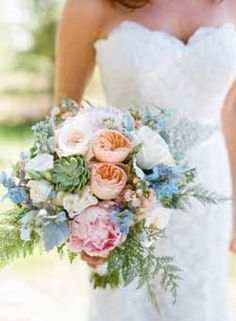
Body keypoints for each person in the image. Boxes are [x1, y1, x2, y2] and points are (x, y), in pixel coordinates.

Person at [55, 0, 236, 320]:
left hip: (210, 195)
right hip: (122, 198)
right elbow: (65, 118)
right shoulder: (90, 6)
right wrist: (79, 211)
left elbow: (231, 111)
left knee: (201, 303)